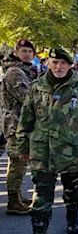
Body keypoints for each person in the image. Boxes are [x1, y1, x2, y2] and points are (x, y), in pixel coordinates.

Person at [16, 48, 78, 234]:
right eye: (55, 63)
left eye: (63, 63)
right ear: (48, 63)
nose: (58, 67)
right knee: (40, 197)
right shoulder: (36, 88)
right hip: (42, 151)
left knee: (73, 192)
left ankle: (72, 217)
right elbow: (26, 119)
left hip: (72, 152)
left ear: (70, 65)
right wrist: (21, 146)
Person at [0, 39, 38, 215]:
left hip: (22, 122)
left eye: (30, 52)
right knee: (18, 162)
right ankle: (13, 202)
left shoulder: (25, 70)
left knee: (19, 162)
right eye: (24, 51)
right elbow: (27, 97)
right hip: (16, 123)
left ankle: (17, 196)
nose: (27, 54)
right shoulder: (15, 72)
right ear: (16, 52)